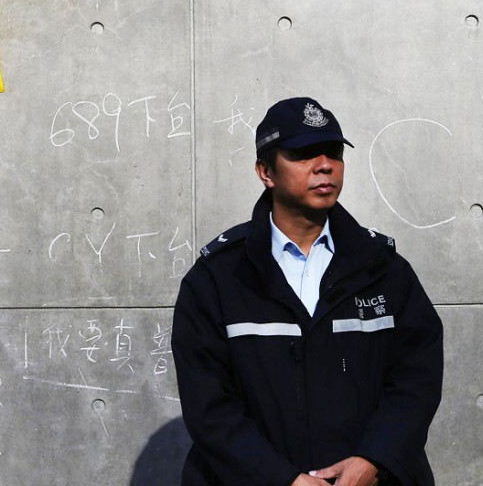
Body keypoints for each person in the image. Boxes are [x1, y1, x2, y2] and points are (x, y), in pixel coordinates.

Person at [173, 97, 444, 486]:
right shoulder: (217, 278)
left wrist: (373, 459)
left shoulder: (383, 269)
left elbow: (416, 380)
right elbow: (209, 408)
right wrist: (284, 479)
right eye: (303, 154)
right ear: (265, 171)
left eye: (333, 152)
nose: (324, 165)